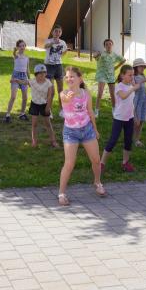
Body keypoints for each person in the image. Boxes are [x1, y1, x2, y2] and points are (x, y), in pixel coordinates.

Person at [58, 66, 105, 206]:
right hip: (70, 132)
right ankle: (61, 193)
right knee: (69, 163)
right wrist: (68, 97)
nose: (69, 79)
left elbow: (90, 112)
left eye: (72, 76)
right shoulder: (63, 93)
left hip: (87, 130)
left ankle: (97, 182)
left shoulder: (86, 93)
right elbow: (65, 100)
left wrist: (95, 130)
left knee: (96, 160)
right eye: (67, 77)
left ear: (80, 78)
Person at [100, 65, 141, 173]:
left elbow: (131, 104)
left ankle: (125, 162)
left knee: (128, 141)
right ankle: (101, 163)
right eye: (130, 75)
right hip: (119, 118)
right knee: (113, 141)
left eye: (133, 75)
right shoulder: (119, 86)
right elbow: (123, 96)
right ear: (122, 75)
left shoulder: (130, 86)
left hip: (129, 118)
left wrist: (135, 116)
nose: (132, 77)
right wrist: (133, 88)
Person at [28, 64, 59, 148]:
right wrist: (15, 80)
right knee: (34, 124)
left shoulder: (48, 82)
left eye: (44, 73)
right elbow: (24, 82)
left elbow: (50, 96)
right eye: (40, 73)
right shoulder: (32, 81)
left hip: (44, 105)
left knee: (48, 124)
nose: (43, 75)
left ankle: (53, 141)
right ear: (36, 74)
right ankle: (34, 141)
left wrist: (48, 107)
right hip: (34, 104)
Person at [93, 39, 125, 117]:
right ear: (104, 46)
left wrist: (116, 67)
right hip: (102, 75)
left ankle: (114, 110)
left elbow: (123, 60)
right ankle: (96, 111)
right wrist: (96, 54)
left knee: (112, 94)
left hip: (111, 76)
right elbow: (95, 57)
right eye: (106, 44)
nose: (108, 46)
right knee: (100, 93)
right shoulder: (102, 54)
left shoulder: (114, 55)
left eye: (110, 44)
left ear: (112, 45)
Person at [44, 25, 68, 114]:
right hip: (49, 66)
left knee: (60, 89)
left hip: (58, 66)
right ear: (52, 32)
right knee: (51, 90)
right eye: (56, 31)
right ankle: (48, 109)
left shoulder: (63, 42)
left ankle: (62, 110)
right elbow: (45, 46)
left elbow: (64, 51)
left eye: (59, 31)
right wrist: (53, 43)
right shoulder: (48, 40)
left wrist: (62, 54)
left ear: (61, 33)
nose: (57, 33)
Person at [5, 40, 31, 123]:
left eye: (23, 46)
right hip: (15, 77)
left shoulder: (27, 57)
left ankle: (22, 114)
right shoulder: (16, 56)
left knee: (25, 97)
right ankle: (8, 115)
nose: (22, 47)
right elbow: (14, 53)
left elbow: (27, 69)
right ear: (18, 47)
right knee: (13, 97)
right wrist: (14, 50)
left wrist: (29, 80)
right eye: (20, 46)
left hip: (24, 77)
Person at [131, 58, 146, 147]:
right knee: (136, 122)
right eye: (140, 66)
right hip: (136, 101)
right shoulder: (133, 77)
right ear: (135, 67)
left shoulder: (142, 76)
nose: (142, 68)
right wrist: (142, 81)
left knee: (142, 120)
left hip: (143, 101)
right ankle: (132, 138)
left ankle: (137, 139)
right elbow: (135, 86)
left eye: (143, 66)